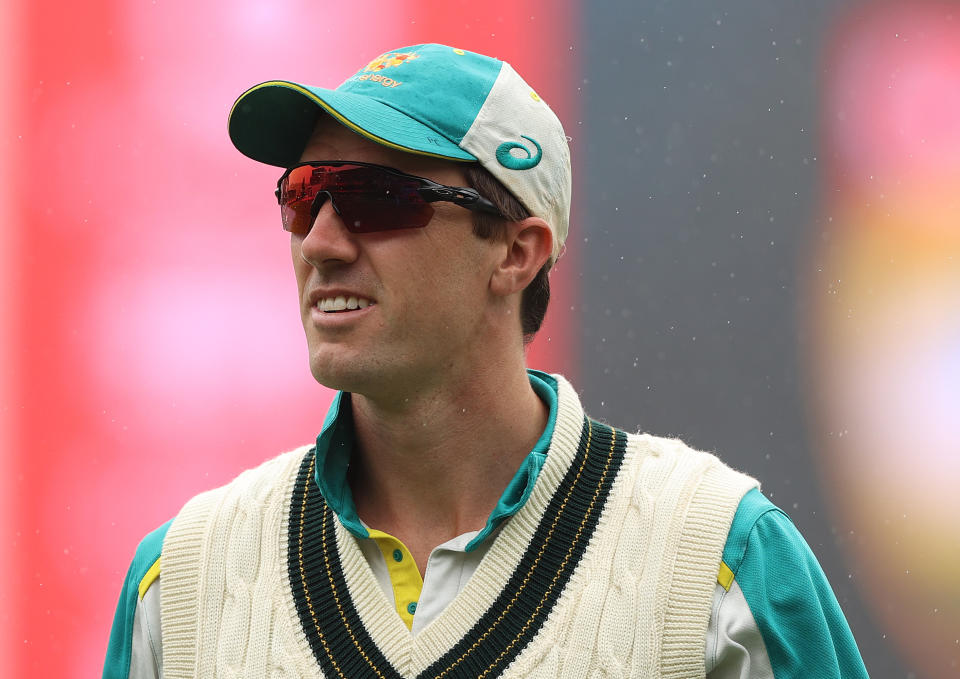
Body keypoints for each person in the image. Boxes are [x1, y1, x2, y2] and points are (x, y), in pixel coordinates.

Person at [103, 43, 869, 678]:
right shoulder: (182, 583)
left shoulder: (719, 560)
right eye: (305, 196)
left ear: (516, 251)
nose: (322, 243)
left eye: (374, 198)